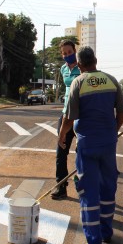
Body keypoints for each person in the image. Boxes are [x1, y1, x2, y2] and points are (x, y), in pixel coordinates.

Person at [58, 46, 123, 244]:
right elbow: (122, 110)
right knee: (107, 188)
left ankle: (94, 242)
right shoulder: (111, 80)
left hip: (87, 145)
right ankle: (106, 232)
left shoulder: (78, 83)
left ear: (79, 65)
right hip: (108, 144)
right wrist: (113, 130)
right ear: (96, 60)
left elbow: (69, 118)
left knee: (88, 192)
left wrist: (62, 135)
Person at [51, 40, 81, 200]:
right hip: (65, 114)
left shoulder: (82, 66)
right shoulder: (63, 69)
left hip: (81, 116)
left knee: (82, 152)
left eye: (69, 52)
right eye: (64, 53)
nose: (67, 56)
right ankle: (61, 186)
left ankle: (86, 186)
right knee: (61, 152)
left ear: (75, 51)